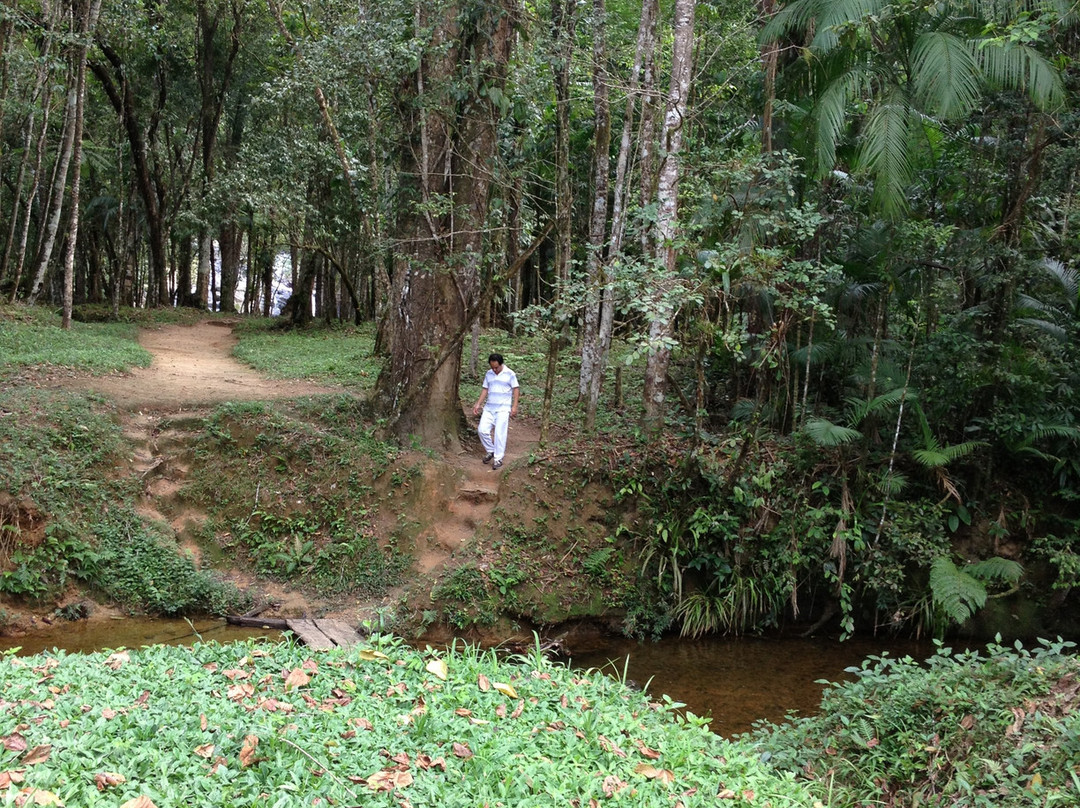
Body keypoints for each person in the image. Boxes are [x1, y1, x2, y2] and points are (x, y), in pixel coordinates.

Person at [472, 353, 519, 470]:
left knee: (499, 433)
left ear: (501, 364)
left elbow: (516, 389)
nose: (494, 369)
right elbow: (485, 389)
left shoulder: (510, 374)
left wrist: (514, 406)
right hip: (489, 408)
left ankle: (498, 459)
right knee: (482, 430)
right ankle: (491, 450)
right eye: (492, 367)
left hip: (503, 408)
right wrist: (478, 403)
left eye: (496, 367)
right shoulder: (489, 374)